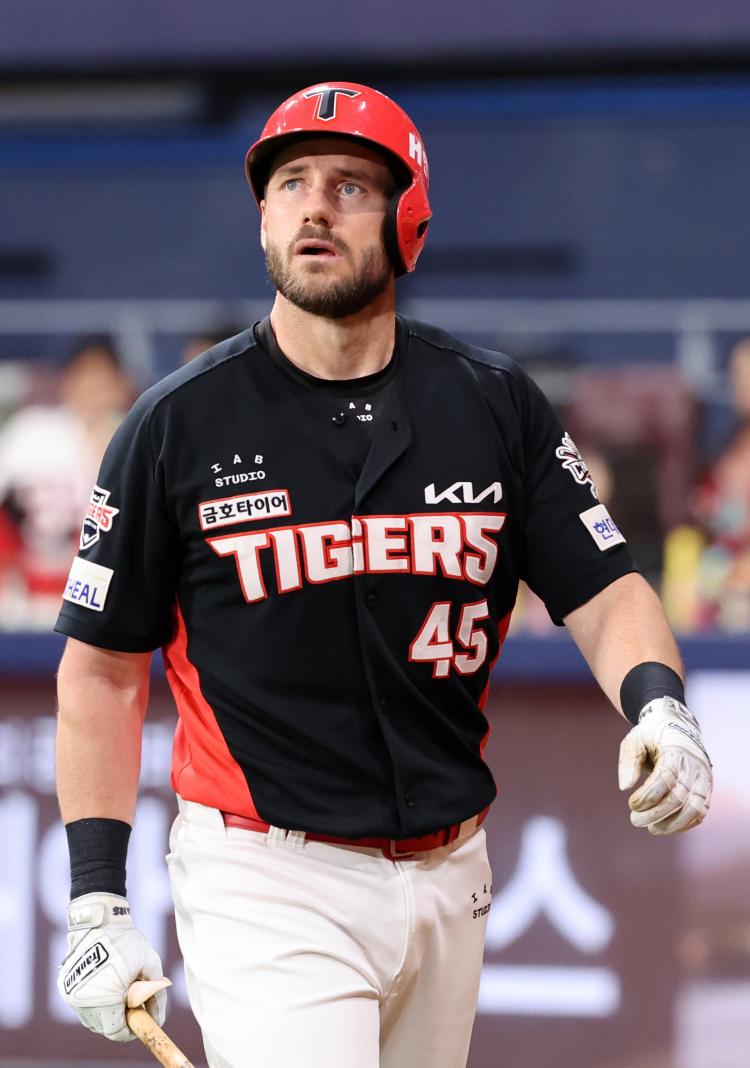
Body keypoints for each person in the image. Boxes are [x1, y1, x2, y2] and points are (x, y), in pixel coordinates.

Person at [54, 83, 713, 1068]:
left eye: (350, 186)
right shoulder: (175, 424)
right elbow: (101, 669)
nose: (314, 208)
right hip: (265, 873)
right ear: (263, 218)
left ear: (410, 221)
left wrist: (660, 707)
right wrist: (97, 900)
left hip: (454, 867)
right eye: (291, 185)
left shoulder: (494, 404)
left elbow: (606, 590)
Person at [0, 335, 133, 628]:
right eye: (86, 376)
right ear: (67, 381)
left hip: (103, 595)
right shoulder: (32, 430)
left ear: (121, 384)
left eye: (103, 379)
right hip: (27, 591)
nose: (94, 389)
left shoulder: (133, 436)